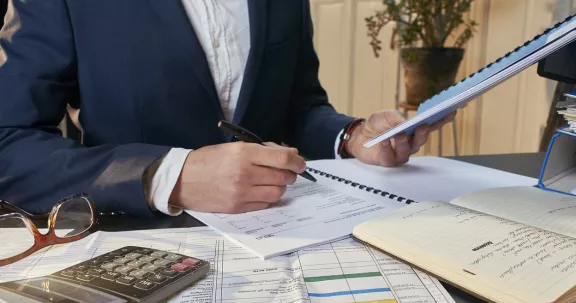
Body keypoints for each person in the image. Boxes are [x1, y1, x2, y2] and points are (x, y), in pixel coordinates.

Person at [0, 0, 452, 218]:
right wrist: (170, 176)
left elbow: (297, 107)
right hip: (135, 249)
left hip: (288, 243)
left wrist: (353, 136)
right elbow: (9, 143)